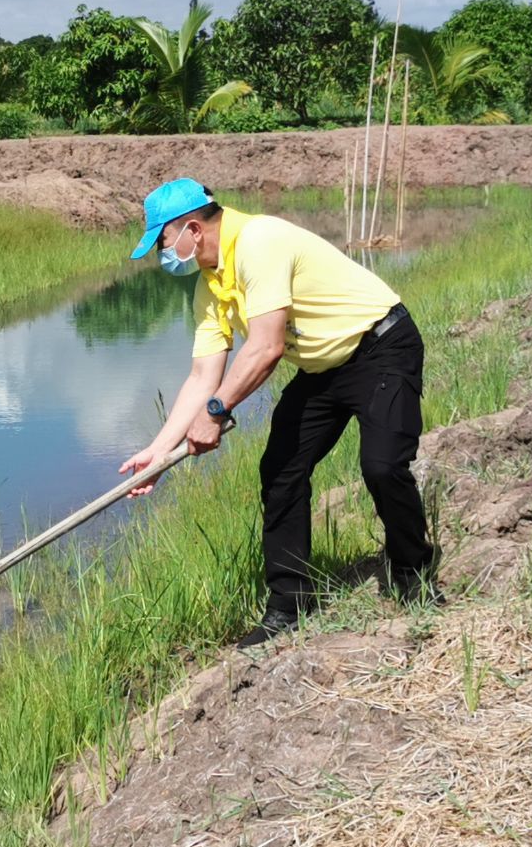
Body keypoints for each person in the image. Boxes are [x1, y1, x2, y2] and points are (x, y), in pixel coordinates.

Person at [117, 178, 434, 642]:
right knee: (281, 471)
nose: (162, 255)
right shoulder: (210, 284)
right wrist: (159, 453)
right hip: (322, 368)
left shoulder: (259, 242)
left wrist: (216, 412)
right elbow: (202, 376)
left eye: (162, 242)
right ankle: (289, 605)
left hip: (380, 347)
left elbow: (265, 349)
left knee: (383, 467)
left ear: (192, 230)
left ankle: (413, 576)